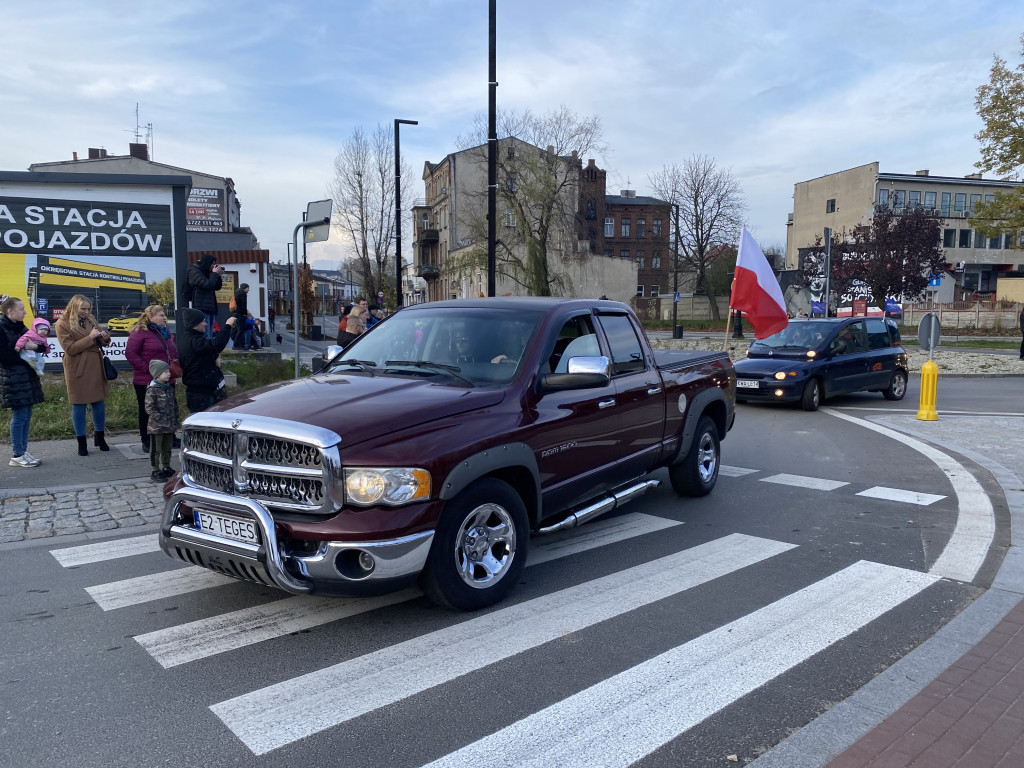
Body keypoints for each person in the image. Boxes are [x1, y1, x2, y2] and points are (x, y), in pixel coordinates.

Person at [54, 294, 112, 457]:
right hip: (77, 367)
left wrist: (105, 338)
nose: (86, 312)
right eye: (83, 309)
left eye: (88, 309)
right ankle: (81, 442)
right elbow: (70, 349)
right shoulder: (62, 323)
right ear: (74, 307)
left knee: (98, 401)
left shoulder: (91, 320)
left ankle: (100, 437)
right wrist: (90, 337)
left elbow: (100, 340)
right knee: (78, 404)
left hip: (94, 364)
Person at [125, 304, 179, 452]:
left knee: (169, 408)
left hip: (167, 378)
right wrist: (149, 370)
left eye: (164, 314)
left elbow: (171, 350)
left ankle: (170, 437)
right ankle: (147, 440)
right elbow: (131, 353)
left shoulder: (165, 331)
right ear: (150, 317)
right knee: (147, 410)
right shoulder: (139, 332)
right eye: (161, 315)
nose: (164, 317)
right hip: (146, 380)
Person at [0, 296, 44, 467]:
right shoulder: (2, 328)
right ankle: (17, 455)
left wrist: (35, 347)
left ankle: (23, 451)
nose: (25, 312)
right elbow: (4, 356)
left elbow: (40, 345)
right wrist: (25, 360)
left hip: (27, 378)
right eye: (21, 309)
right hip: (13, 381)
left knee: (26, 415)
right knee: (19, 416)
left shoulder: (22, 327)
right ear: (9, 311)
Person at [179, 307, 236, 413]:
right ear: (195, 323)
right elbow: (216, 345)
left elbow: (206, 351)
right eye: (203, 321)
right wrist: (228, 326)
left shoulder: (191, 339)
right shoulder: (193, 341)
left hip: (203, 391)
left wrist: (214, 357)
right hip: (200, 394)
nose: (206, 324)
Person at [145, 359, 178, 481]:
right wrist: (161, 419)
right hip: (156, 427)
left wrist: (175, 418)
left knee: (167, 448)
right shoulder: (152, 389)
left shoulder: (168, 388)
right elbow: (149, 408)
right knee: (156, 449)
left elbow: (174, 404)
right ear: (157, 374)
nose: (168, 374)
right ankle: (155, 470)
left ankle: (166, 467)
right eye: (165, 372)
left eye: (168, 371)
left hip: (169, 426)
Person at [186, 253, 224, 339]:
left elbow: (217, 287)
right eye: (212, 264)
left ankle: (209, 352)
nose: (213, 266)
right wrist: (214, 274)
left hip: (210, 308)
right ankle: (205, 352)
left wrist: (218, 276)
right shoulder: (194, 271)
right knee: (205, 335)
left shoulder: (207, 273)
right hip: (201, 307)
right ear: (207, 263)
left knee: (210, 334)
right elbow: (207, 285)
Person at [231, 283, 250, 349]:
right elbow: (244, 305)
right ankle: (236, 345)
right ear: (244, 288)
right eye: (248, 288)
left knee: (237, 329)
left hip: (235, 313)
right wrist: (245, 313)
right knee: (241, 330)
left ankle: (237, 345)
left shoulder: (236, 293)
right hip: (241, 314)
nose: (248, 290)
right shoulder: (243, 294)